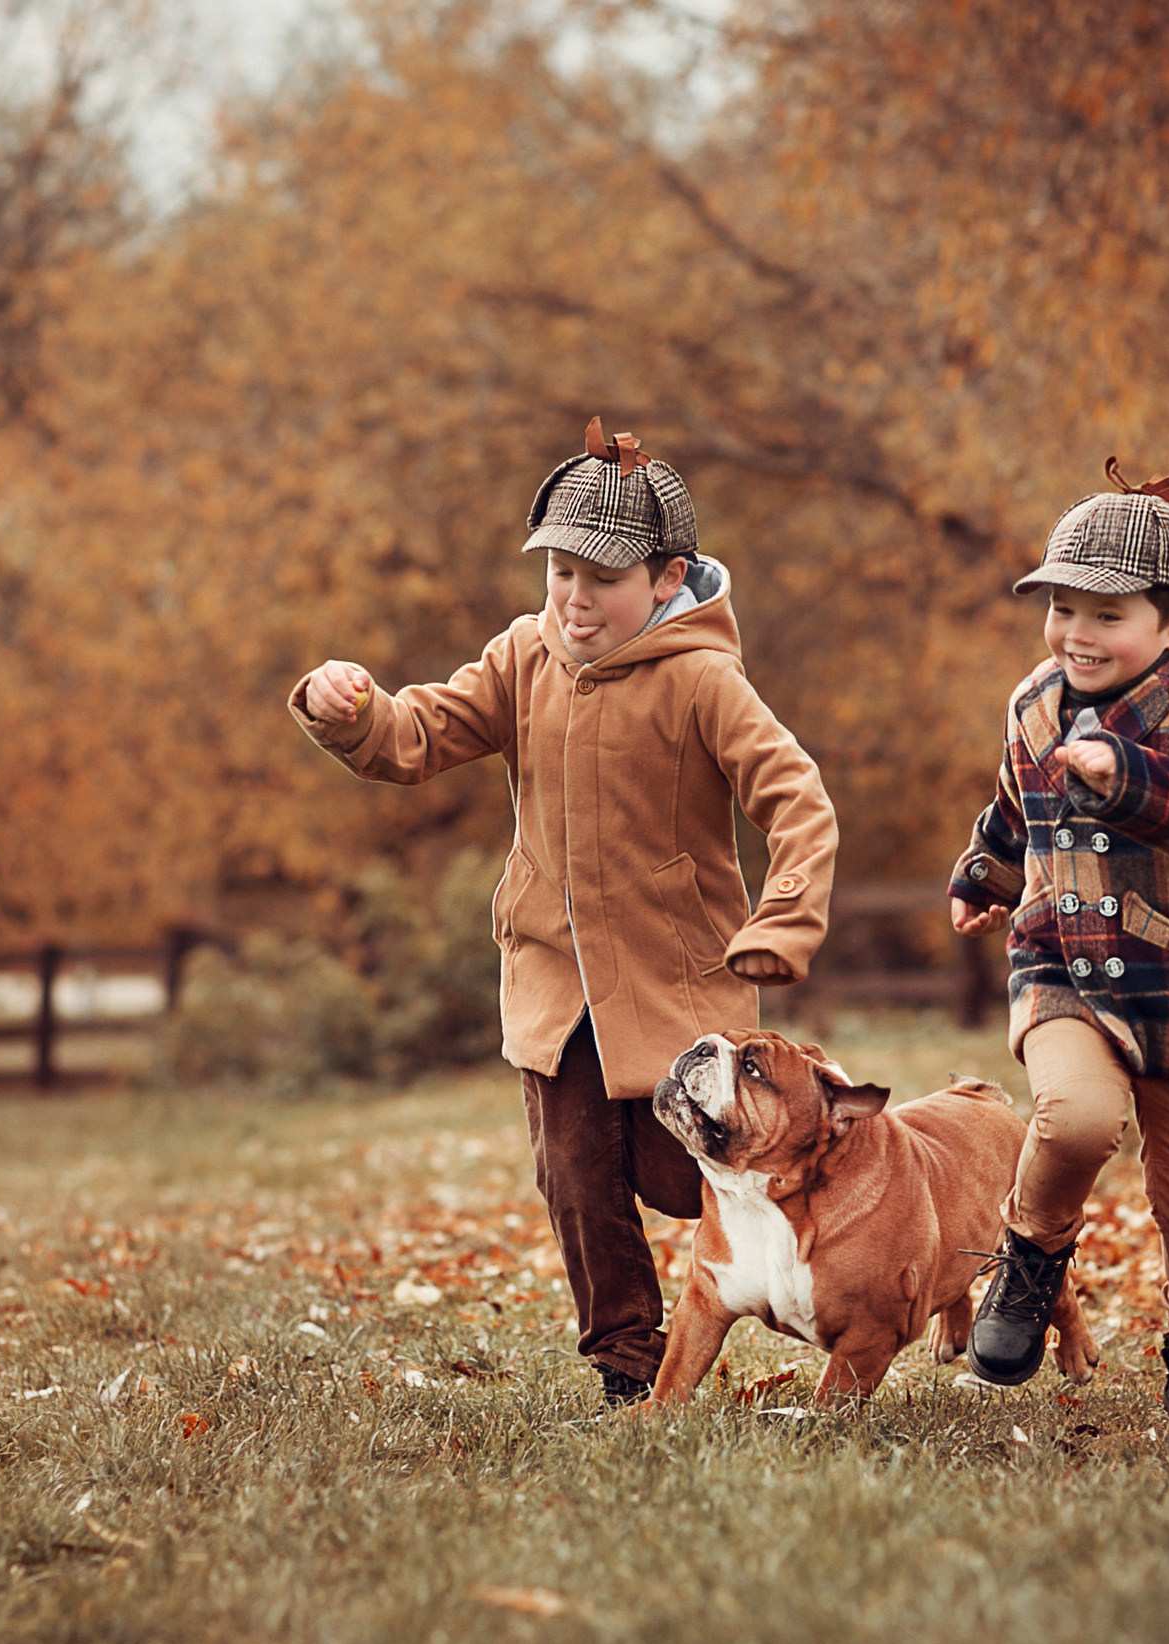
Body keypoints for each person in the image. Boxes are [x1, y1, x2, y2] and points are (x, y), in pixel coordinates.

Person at [289, 418, 838, 1407]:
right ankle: (628, 1364)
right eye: (560, 573)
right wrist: (356, 712)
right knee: (576, 1174)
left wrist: (783, 919)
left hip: (675, 981)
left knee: (688, 1174)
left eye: (602, 578)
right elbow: (419, 734)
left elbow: (796, 799)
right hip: (555, 975)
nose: (575, 598)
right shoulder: (522, 658)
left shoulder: (703, 680)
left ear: (666, 578)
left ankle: (841, 1271)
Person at [945, 459, 1169, 1435]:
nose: (1076, 632)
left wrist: (1125, 772)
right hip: (1061, 963)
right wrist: (986, 875)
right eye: (1062, 608)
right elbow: (1015, 808)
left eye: (1106, 613)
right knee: (1077, 1118)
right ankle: (1028, 1260)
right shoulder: (1033, 703)